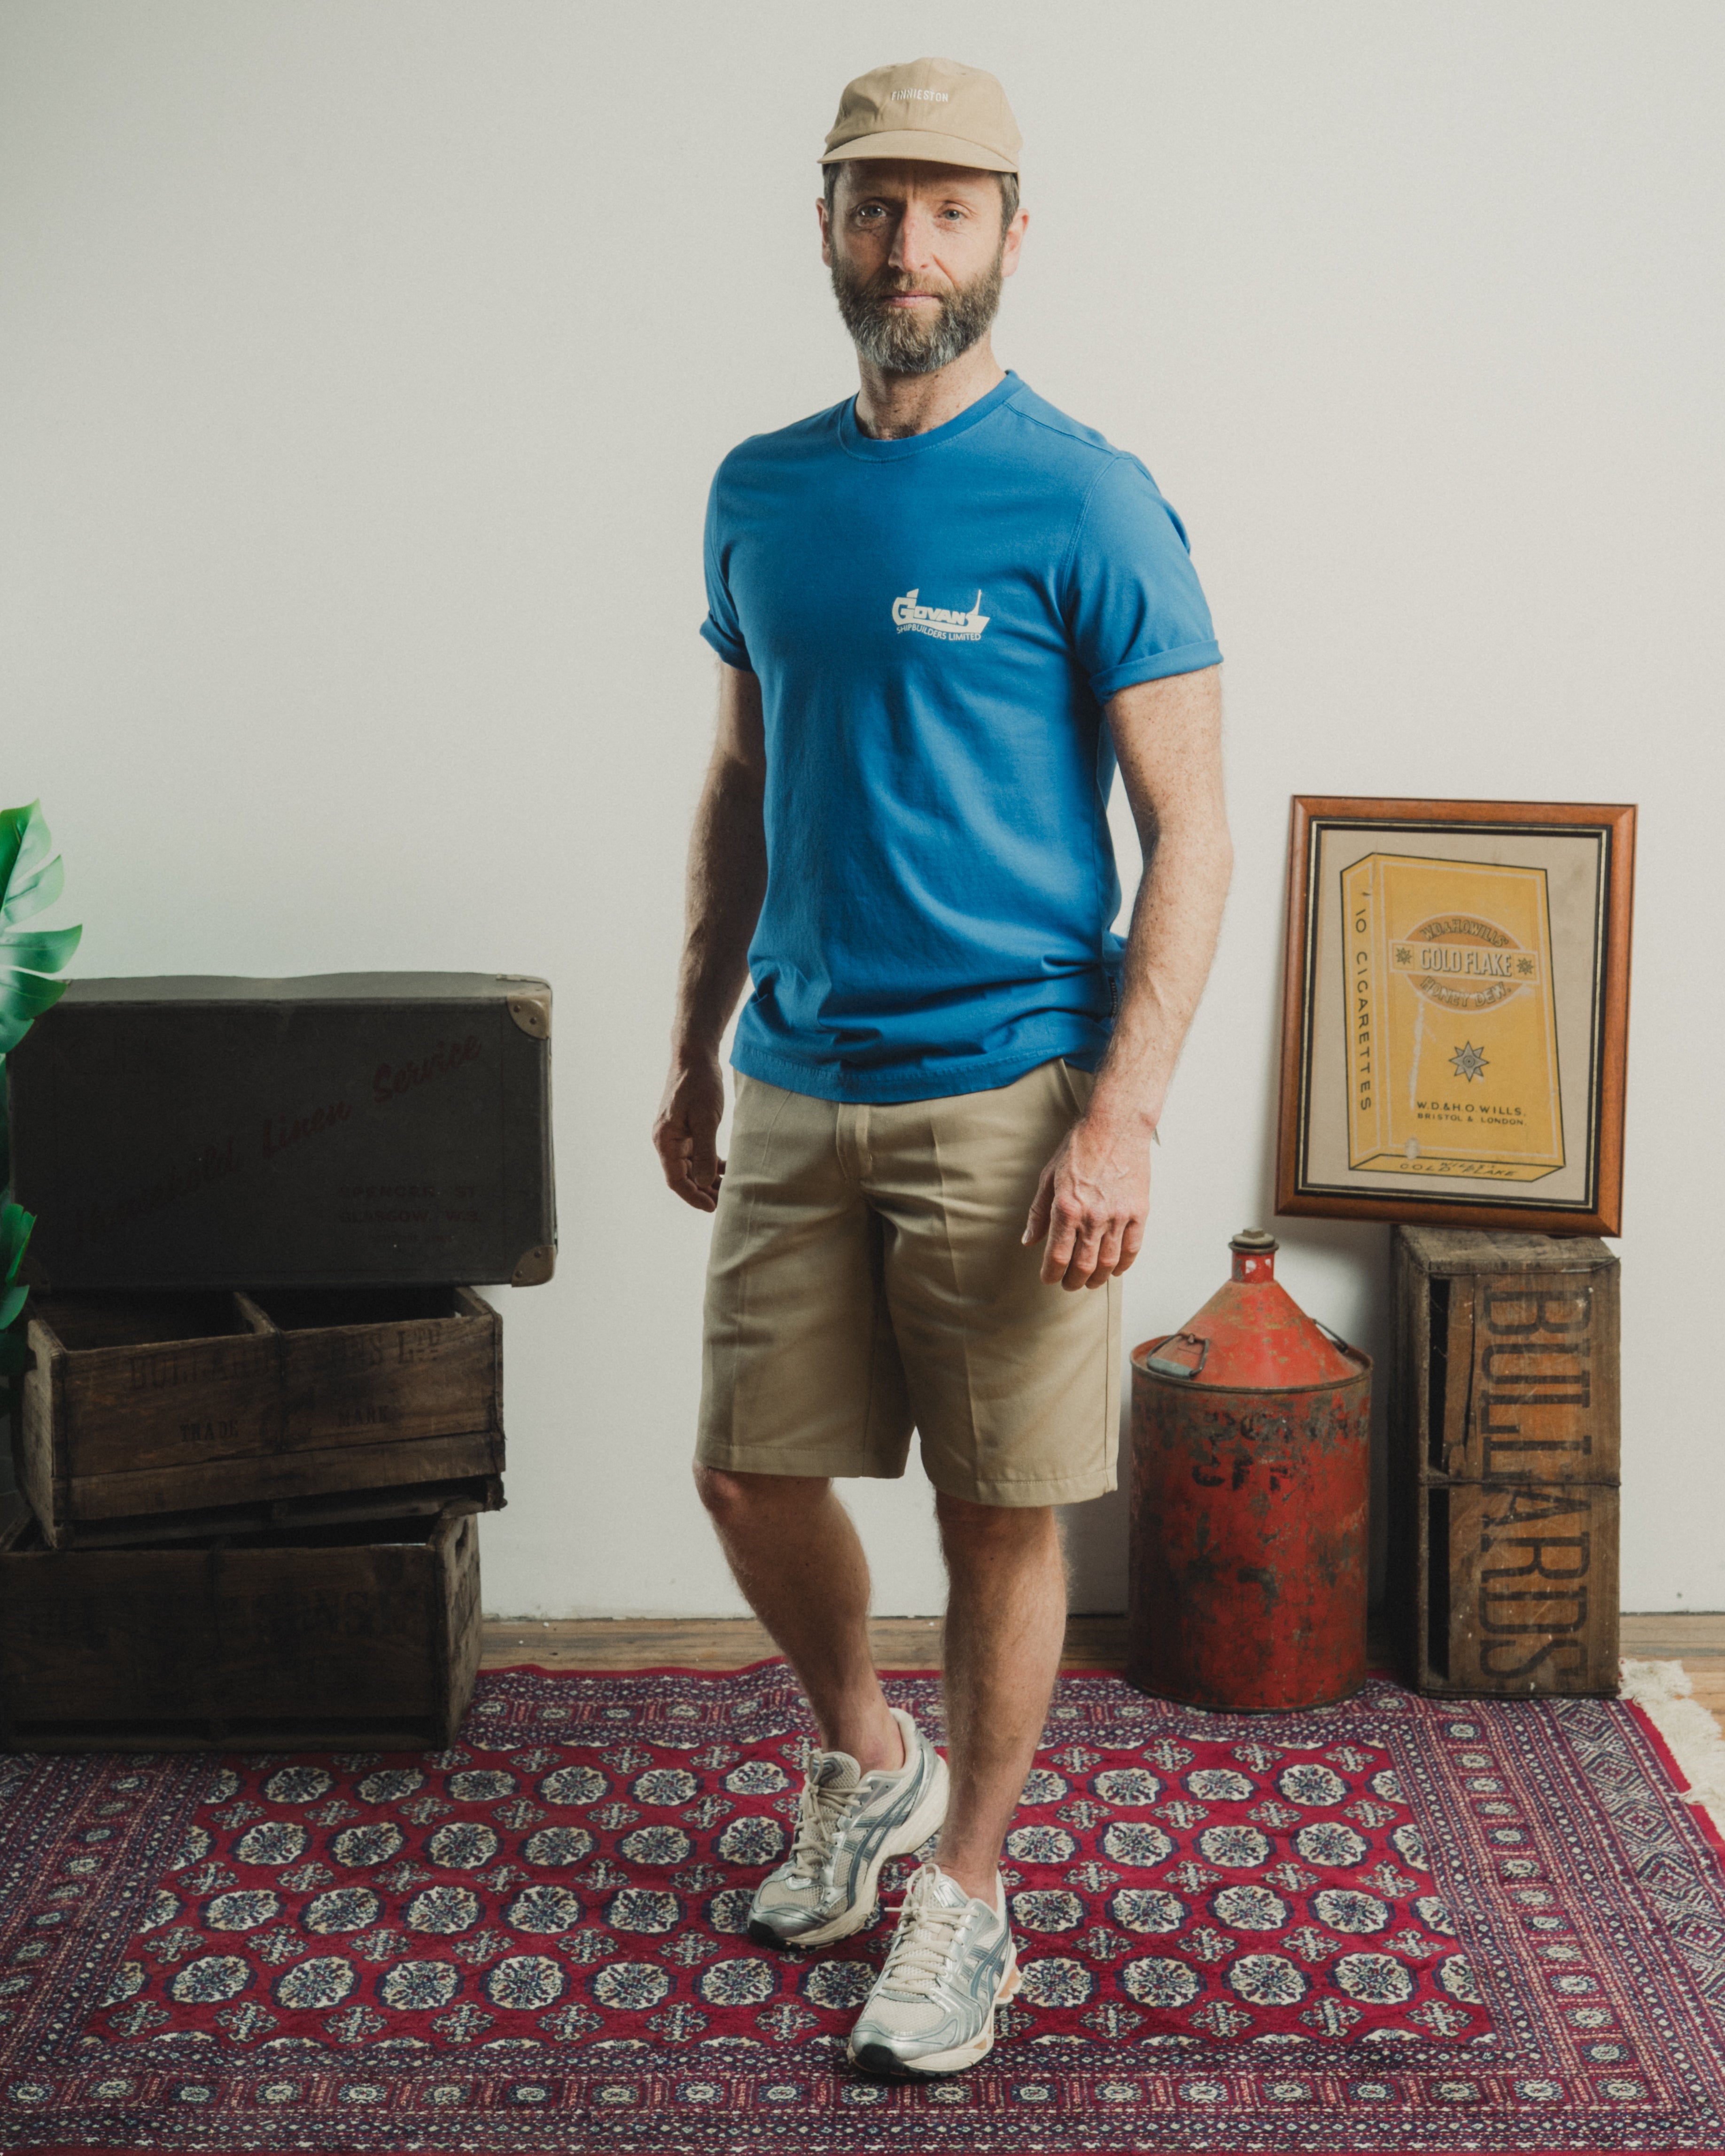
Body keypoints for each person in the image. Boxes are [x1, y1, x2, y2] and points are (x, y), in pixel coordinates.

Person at [652, 54, 1232, 2078]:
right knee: (744, 1464)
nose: (914, 248)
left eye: (953, 210)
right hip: (800, 1066)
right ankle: (871, 1759)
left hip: (1012, 1085)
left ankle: (966, 1891)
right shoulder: (760, 489)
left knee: (1001, 1506)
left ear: (1011, 234)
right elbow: (739, 787)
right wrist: (692, 1051)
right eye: (878, 207)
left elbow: (1198, 827)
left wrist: (1126, 1113)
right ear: (825, 221)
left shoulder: (1084, 494)